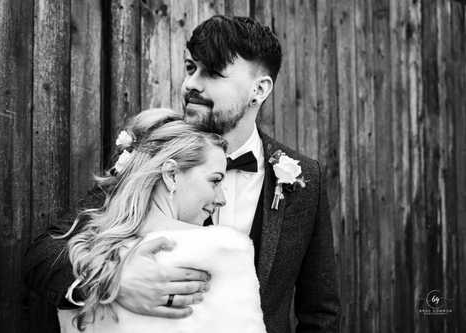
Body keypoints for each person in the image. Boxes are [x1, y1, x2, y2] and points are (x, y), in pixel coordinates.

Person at [24, 15, 340, 332]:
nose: (191, 84)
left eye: (213, 72)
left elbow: (320, 312)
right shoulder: (149, 156)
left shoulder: (303, 178)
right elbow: (44, 254)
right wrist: (110, 281)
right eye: (191, 68)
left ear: (259, 89)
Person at [56, 108, 266, 332]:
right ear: (171, 174)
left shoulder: (87, 257)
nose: (221, 199)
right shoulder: (225, 249)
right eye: (215, 181)